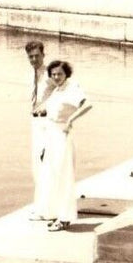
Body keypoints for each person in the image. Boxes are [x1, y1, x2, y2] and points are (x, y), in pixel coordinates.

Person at [34, 60, 93, 232]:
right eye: (53, 74)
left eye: (59, 74)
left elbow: (87, 104)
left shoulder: (72, 88)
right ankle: (55, 213)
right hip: (51, 134)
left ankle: (65, 218)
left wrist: (70, 119)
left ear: (66, 73)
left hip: (62, 135)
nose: (56, 77)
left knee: (63, 176)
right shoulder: (58, 90)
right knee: (52, 175)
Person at [25, 41, 53, 220]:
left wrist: (47, 106)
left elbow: (61, 93)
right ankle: (41, 206)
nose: (34, 59)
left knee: (45, 163)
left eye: (37, 55)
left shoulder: (50, 75)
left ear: (43, 55)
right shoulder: (31, 74)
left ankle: (47, 209)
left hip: (47, 122)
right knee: (37, 165)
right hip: (35, 123)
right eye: (30, 57)